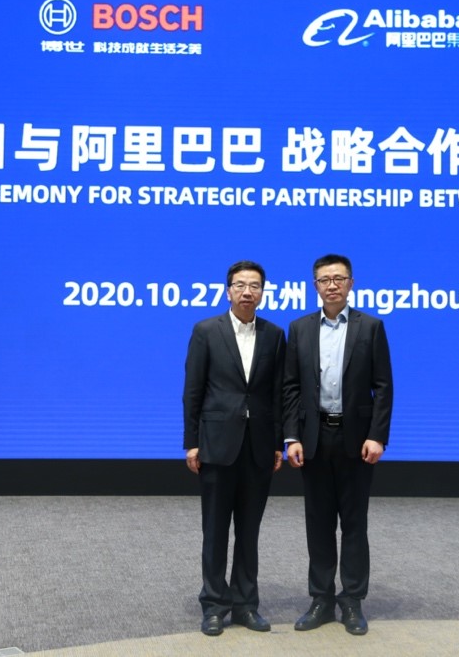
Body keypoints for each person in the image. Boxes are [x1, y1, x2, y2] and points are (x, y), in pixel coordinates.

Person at [283, 253, 394, 636]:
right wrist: (292, 436)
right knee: (318, 523)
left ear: (351, 283)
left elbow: (383, 387)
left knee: (354, 524)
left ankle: (352, 601)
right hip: (314, 438)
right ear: (315, 286)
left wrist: (377, 435)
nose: (332, 285)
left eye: (339, 278)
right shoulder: (299, 328)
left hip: (356, 439)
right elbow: (291, 387)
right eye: (324, 279)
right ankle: (321, 599)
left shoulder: (371, 327)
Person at [182, 260, 285, 636]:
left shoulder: (275, 335)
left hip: (258, 448)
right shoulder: (206, 331)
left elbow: (277, 394)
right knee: (215, 531)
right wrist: (191, 442)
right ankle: (213, 605)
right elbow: (193, 391)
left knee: (249, 531)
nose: (247, 292)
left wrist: (277, 443)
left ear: (262, 293)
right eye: (240, 285)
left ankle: (245, 605)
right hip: (216, 445)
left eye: (254, 286)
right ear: (228, 291)